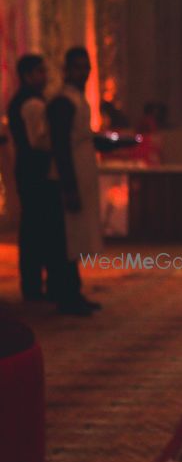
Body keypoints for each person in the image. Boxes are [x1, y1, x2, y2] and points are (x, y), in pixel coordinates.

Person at [47, 46, 103, 314]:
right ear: (67, 69)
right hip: (68, 175)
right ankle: (65, 295)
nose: (83, 72)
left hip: (81, 171)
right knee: (67, 239)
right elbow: (60, 145)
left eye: (86, 67)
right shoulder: (62, 102)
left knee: (77, 238)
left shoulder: (77, 98)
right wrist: (69, 187)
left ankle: (73, 291)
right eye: (78, 67)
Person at [6, 54, 58, 303]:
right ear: (27, 75)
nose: (44, 76)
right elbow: (38, 141)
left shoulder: (23, 101)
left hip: (28, 170)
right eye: (40, 71)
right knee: (38, 228)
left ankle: (33, 283)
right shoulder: (32, 104)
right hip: (36, 171)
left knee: (32, 228)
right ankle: (34, 284)